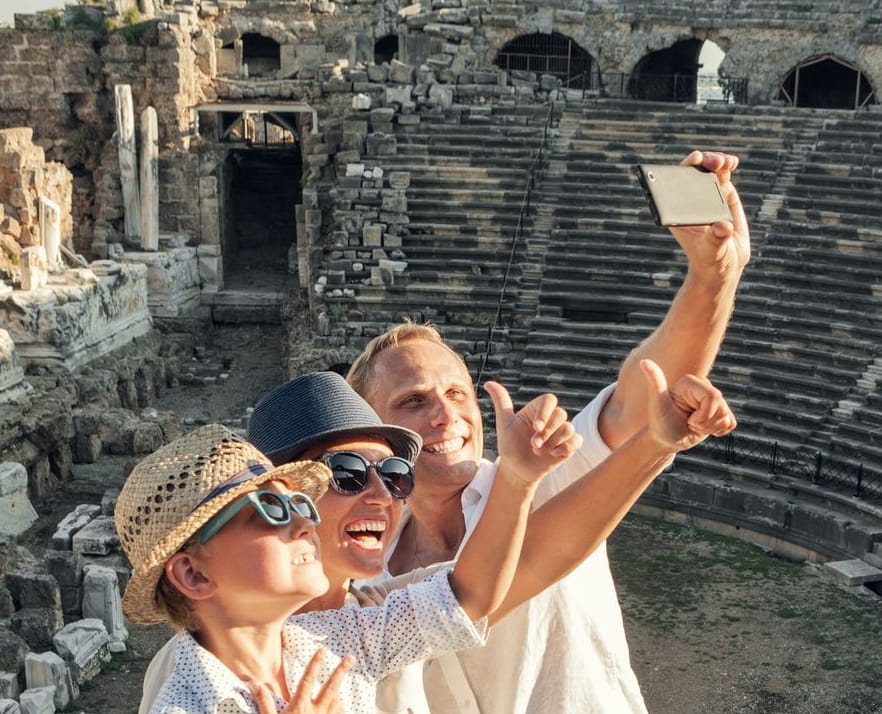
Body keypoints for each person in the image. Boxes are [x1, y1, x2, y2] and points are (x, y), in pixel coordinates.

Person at [344, 149, 750, 712]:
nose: (445, 414)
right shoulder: (363, 565)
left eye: (457, 393)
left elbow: (639, 400)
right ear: (371, 436)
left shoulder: (545, 481)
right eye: (413, 401)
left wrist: (713, 278)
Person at [136, 366, 736, 713]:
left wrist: (652, 446)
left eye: (396, 475)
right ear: (192, 574)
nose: (381, 494)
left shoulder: (353, 624)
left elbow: (501, 575)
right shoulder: (187, 683)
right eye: (344, 475)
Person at [118, 380, 577, 714]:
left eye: (301, 502)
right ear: (194, 574)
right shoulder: (183, 702)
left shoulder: (336, 638)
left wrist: (516, 478)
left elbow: (466, 598)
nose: (304, 520)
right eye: (272, 510)